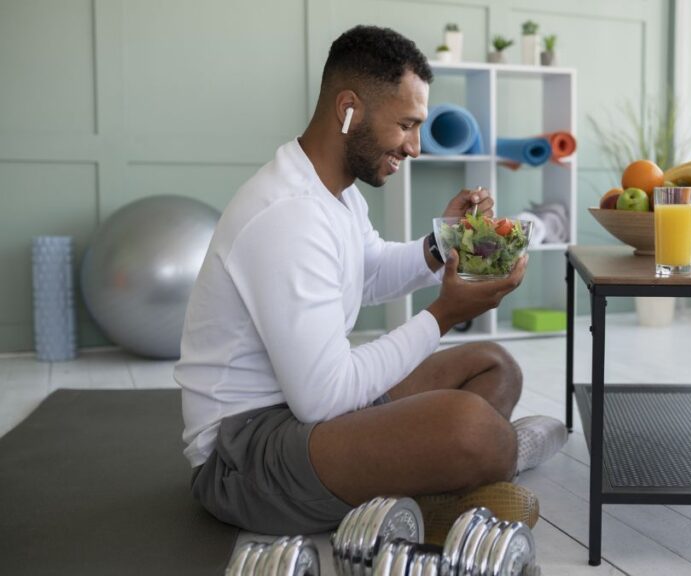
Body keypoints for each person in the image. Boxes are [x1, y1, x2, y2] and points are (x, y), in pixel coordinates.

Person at [175, 25, 567, 539]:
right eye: (406, 125)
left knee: (495, 366)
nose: (417, 147)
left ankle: (436, 492)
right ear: (349, 109)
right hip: (246, 454)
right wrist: (444, 313)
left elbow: (367, 272)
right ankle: (496, 458)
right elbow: (323, 398)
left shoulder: (335, 193)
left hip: (308, 416)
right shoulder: (287, 215)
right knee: (473, 430)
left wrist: (444, 243)